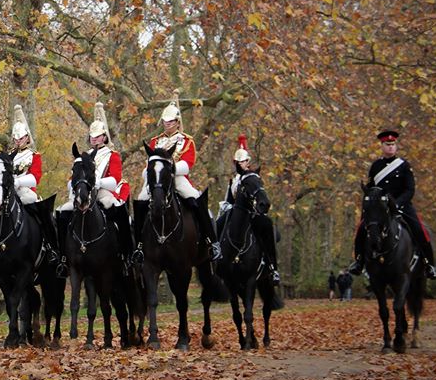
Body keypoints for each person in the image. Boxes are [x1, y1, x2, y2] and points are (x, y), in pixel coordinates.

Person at [133, 93, 218, 265]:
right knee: (140, 202)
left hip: (177, 178)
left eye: (171, 122)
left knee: (196, 200)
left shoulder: (187, 141)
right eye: (165, 121)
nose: (168, 125)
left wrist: (170, 171)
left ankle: (211, 242)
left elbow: (188, 163)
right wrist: (150, 173)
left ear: (178, 122)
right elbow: (148, 164)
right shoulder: (155, 141)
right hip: (156, 180)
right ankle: (138, 245)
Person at [0, 104, 59, 274]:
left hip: (25, 191)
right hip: (8, 192)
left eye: (21, 138)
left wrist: (18, 182)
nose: (18, 141)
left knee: (39, 208)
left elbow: (35, 177)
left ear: (27, 138)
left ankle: (50, 247)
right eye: (15, 139)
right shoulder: (7, 157)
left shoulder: (34, 155)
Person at [348, 130, 436, 279]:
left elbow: (410, 189)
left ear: (396, 146)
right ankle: (359, 262)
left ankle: (429, 264)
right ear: (382, 146)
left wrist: (397, 204)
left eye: (393, 144)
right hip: (379, 208)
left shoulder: (404, 165)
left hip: (402, 206)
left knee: (420, 230)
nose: (390, 147)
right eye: (387, 144)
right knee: (361, 230)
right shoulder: (375, 166)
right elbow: (371, 189)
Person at [55, 102, 133, 269]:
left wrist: (97, 182)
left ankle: (126, 254)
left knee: (119, 211)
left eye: (97, 136)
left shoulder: (113, 155)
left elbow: (115, 180)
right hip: (84, 192)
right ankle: (62, 256)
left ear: (104, 137)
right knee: (62, 213)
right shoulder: (83, 157)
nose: (94, 138)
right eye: (92, 136)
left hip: (104, 192)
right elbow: (72, 179)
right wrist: (75, 185)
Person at [214, 135, 281, 284]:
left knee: (267, 231)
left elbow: (260, 195)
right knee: (217, 226)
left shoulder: (253, 177)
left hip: (252, 213)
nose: (242, 164)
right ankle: (216, 260)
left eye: (244, 161)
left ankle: (272, 267)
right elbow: (229, 199)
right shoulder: (233, 180)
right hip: (235, 212)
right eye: (239, 162)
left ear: (248, 161)